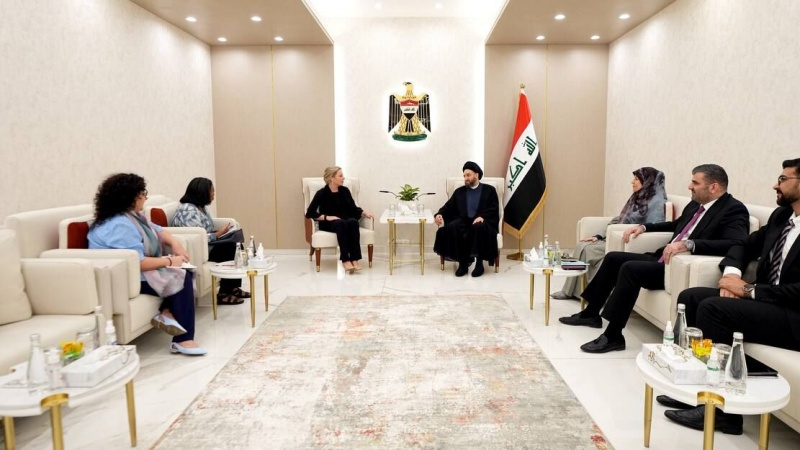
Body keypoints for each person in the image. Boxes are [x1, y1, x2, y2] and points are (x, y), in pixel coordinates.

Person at [661, 158, 800, 435]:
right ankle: (695, 388)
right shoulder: (782, 217)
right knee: (690, 298)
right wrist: (733, 275)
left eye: (783, 179)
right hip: (769, 301)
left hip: (793, 312)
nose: (776, 185)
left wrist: (749, 290)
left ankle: (724, 413)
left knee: (714, 309)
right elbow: (742, 244)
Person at [558, 164, 750, 353]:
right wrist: (645, 227)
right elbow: (676, 225)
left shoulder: (733, 209)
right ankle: (591, 313)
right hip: (662, 257)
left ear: (713, 187)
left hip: (677, 267)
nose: (689, 186)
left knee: (630, 269)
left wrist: (690, 244)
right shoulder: (696, 205)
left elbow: (736, 243)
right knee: (613, 258)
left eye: (695, 183)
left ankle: (613, 335)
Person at [88, 173, 206, 356]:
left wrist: (175, 243)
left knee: (185, 271)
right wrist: (170, 261)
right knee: (181, 276)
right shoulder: (119, 225)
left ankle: (167, 312)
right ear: (130, 197)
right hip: (122, 278)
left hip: (133, 271)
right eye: (143, 194)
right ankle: (183, 340)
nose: (146, 197)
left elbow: (158, 230)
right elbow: (138, 262)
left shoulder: (131, 217)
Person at [552, 167, 667, 300]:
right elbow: (619, 219)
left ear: (647, 182)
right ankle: (571, 291)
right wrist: (598, 236)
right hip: (614, 235)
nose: (632, 182)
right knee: (581, 246)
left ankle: (585, 294)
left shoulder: (657, 204)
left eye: (636, 179)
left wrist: (624, 232)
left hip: (626, 240)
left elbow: (654, 227)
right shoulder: (637, 197)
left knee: (588, 249)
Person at [171, 177, 248, 305]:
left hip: (207, 244)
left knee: (236, 244)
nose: (214, 194)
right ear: (202, 192)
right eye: (212, 191)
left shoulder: (202, 207)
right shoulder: (188, 210)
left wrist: (222, 233)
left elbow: (206, 229)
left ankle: (233, 287)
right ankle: (223, 293)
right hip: (197, 250)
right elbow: (196, 237)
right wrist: (217, 235)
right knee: (230, 247)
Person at [434, 161, 499, 278]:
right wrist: (439, 214)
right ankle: (463, 264)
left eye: (468, 175)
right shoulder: (459, 192)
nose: (465, 178)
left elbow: (493, 209)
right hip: (464, 221)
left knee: (479, 226)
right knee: (454, 226)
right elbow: (448, 207)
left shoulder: (489, 190)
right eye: (464, 176)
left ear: (476, 175)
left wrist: (482, 217)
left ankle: (479, 264)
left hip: (482, 222)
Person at [305, 166, 373, 273]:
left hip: (344, 219)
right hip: (328, 222)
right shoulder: (321, 193)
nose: (343, 178)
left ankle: (354, 258)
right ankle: (345, 259)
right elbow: (310, 212)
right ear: (332, 178)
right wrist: (327, 217)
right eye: (340, 176)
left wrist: (363, 212)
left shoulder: (345, 190)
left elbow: (353, 208)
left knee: (353, 222)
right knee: (341, 224)